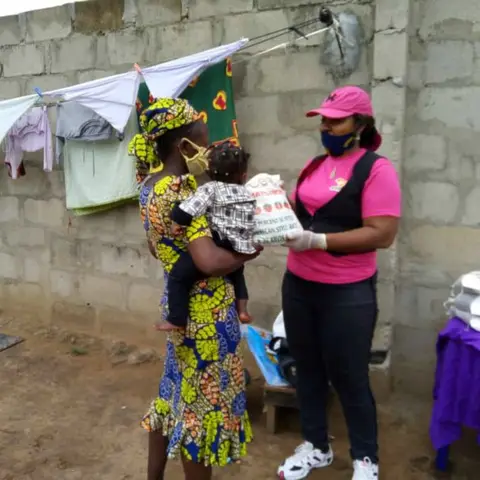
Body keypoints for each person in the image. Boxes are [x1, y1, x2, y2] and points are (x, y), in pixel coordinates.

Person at [128, 98, 260, 480]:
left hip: (178, 306)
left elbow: (157, 247)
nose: (206, 146)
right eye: (201, 138)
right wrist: (248, 254)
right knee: (199, 415)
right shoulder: (184, 192)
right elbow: (209, 261)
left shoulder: (150, 187)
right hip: (207, 319)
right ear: (181, 144)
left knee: (173, 396)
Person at [277, 86, 401, 480]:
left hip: (347, 293)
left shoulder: (376, 169)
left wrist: (319, 241)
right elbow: (298, 216)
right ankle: (316, 447)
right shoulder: (315, 166)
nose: (327, 127)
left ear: (360, 124)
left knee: (349, 375)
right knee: (307, 368)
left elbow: (382, 233)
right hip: (299, 286)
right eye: (324, 120)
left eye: (336, 120)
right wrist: (272, 206)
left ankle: (366, 459)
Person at [166, 140, 256, 329]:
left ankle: (176, 319)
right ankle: (243, 310)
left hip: (219, 241)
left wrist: (176, 222)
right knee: (237, 273)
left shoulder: (211, 188)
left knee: (178, 275)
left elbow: (187, 210)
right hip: (241, 245)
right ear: (244, 175)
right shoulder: (248, 192)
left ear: (209, 172)